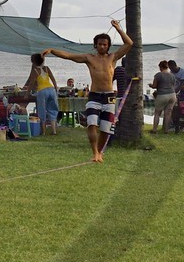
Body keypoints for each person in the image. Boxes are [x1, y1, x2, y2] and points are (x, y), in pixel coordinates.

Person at [43, 19, 133, 162]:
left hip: (109, 96)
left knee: (105, 128)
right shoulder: (89, 58)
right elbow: (69, 56)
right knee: (91, 123)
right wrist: (52, 51)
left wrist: (117, 28)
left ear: (108, 46)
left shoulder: (113, 57)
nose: (102, 46)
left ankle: (100, 152)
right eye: (100, 44)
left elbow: (129, 44)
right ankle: (95, 152)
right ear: (95, 45)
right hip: (94, 96)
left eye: (105, 44)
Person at [25, 54, 59, 137]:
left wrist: (27, 93)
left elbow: (32, 83)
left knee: (42, 110)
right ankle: (54, 131)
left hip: (42, 91)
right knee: (53, 109)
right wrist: (55, 89)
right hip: (51, 90)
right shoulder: (46, 68)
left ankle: (43, 132)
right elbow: (53, 79)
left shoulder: (35, 70)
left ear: (33, 62)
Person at [150, 59, 179, 133]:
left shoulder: (158, 75)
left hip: (162, 95)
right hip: (172, 95)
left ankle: (154, 130)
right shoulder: (172, 75)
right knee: (168, 114)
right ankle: (166, 130)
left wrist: (151, 85)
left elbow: (154, 85)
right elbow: (173, 85)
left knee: (157, 113)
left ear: (161, 67)